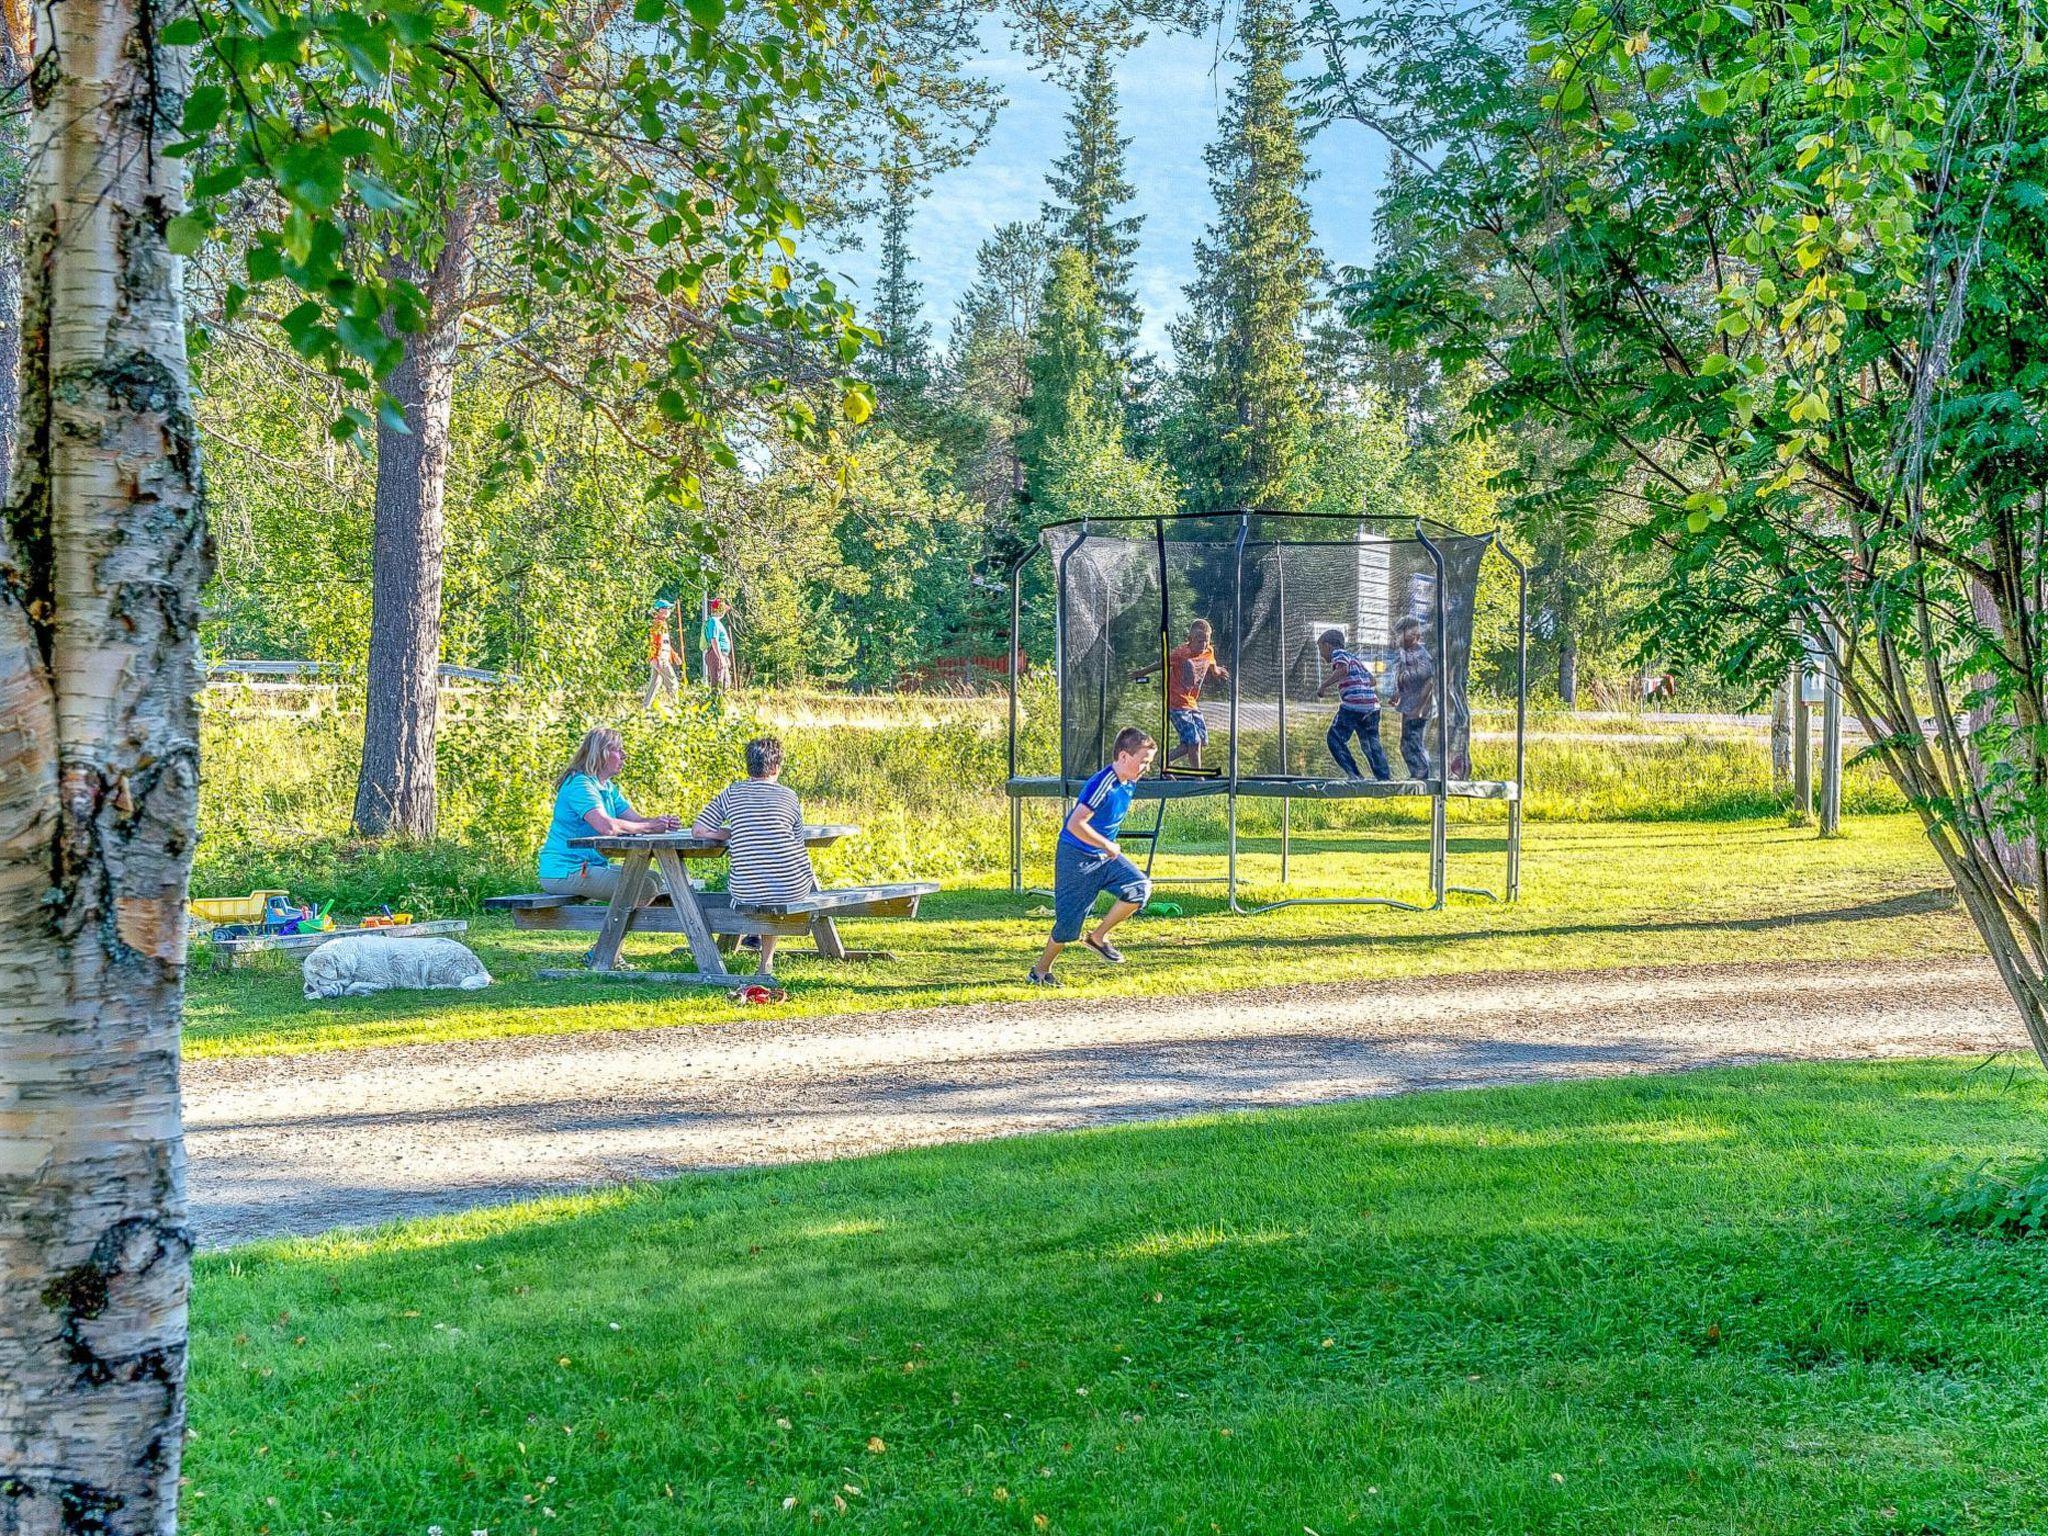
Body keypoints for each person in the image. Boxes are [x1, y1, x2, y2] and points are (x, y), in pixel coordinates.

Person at [1029, 726, 1156, 986]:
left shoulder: (1129, 782)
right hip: (1076, 859)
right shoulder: (1103, 783)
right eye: (1143, 762)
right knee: (1067, 928)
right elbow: (1075, 824)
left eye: (1149, 763)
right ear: (1123, 757)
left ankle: (1097, 938)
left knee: (1139, 888)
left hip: (1104, 857)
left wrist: (1106, 849)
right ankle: (1040, 972)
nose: (1146, 768)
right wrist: (1107, 846)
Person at [691, 736, 817, 973]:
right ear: (777, 766)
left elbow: (698, 830)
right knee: (780, 875)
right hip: (792, 887)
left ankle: (753, 940)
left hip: (746, 889)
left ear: (749, 765)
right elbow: (798, 841)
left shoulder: (732, 793)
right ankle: (766, 961)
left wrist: (727, 834)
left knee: (757, 881)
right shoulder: (789, 796)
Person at [538, 728, 682, 900]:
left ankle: (642, 920)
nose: (624, 755)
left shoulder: (606, 786)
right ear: (602, 754)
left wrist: (661, 822)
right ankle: (620, 924)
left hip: (590, 866)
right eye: (618, 749)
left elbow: (636, 820)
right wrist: (650, 827)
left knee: (654, 877)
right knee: (646, 887)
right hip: (566, 871)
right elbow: (606, 826)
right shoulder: (580, 785)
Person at [1136, 619, 1228, 771]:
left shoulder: (1208, 651)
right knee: (1195, 742)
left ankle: (1164, 761)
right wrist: (1142, 672)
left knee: (1201, 741)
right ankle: (1198, 776)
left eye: (1206, 641)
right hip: (1176, 704)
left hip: (1192, 703)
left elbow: (1212, 664)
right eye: (1199, 641)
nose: (1203, 645)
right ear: (1190, 639)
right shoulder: (1181, 654)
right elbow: (1162, 663)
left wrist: (1217, 672)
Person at [1316, 628, 1392, 781]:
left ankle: (1354, 774)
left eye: (1320, 649)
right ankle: (1384, 778)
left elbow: (1343, 669)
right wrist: (1361, 686)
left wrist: (1324, 685)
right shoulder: (1355, 658)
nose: (1321, 655)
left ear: (1328, 645)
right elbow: (1372, 680)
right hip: (1372, 707)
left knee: (1334, 738)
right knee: (1370, 744)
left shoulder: (1338, 653)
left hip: (1353, 707)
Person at [1392, 615, 1436, 778]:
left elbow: (1429, 681)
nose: (1397, 639)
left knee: (1413, 741)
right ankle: (1416, 774)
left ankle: (1422, 773)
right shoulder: (1405, 653)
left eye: (1400, 634)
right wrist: (1398, 692)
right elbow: (1404, 677)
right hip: (1408, 705)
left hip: (1419, 707)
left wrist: (1419, 708)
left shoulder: (1420, 654)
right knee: (1405, 743)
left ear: (1413, 636)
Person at [642, 599, 679, 709]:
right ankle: (677, 706)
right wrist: (656, 658)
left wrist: (674, 655)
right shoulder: (657, 624)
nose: (668, 610)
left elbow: (665, 643)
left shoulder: (662, 624)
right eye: (666, 608)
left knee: (655, 683)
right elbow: (655, 642)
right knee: (672, 682)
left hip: (661, 657)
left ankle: (645, 707)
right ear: (659, 610)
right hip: (660, 658)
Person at [701, 597, 734, 690]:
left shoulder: (716, 622)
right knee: (718, 683)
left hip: (720, 654)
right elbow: (714, 639)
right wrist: (720, 658)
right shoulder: (713, 621)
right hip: (715, 655)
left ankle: (719, 702)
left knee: (726, 682)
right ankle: (714, 702)